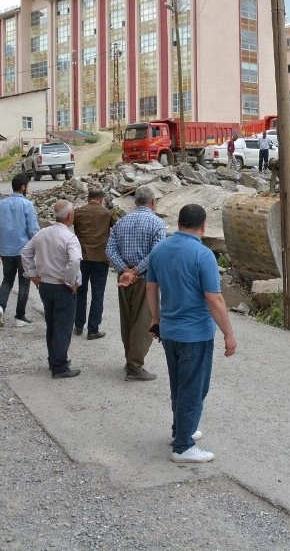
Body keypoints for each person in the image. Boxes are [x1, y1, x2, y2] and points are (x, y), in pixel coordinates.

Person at [146, 204, 237, 463]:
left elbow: (151, 289)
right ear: (203, 225)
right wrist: (228, 334)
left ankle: (181, 430)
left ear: (179, 223)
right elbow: (214, 299)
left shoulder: (159, 250)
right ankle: (183, 447)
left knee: (179, 385)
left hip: (170, 332)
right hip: (195, 333)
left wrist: (156, 319)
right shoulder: (203, 255)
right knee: (194, 389)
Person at [105, 185, 166, 381]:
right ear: (153, 202)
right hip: (145, 279)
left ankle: (130, 359)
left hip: (124, 279)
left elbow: (110, 250)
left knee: (128, 320)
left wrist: (125, 271)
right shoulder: (157, 223)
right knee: (144, 322)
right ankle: (135, 366)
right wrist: (136, 272)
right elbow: (156, 254)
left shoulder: (121, 222)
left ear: (135, 202)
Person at [21, 199, 82, 378]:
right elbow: (75, 261)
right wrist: (71, 282)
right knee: (63, 326)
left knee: (52, 325)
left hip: (45, 284)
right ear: (70, 216)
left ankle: (54, 359)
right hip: (62, 286)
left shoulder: (42, 233)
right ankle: (60, 366)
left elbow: (25, 252)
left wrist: (32, 274)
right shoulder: (70, 237)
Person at [0, 173, 39, 328]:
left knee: (7, 280)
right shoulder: (27, 204)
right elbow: (33, 230)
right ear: (23, 187)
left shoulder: (0, 204)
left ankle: (0, 307)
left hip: (6, 250)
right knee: (24, 283)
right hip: (24, 251)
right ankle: (20, 316)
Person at [73, 187, 117, 340]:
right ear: (101, 199)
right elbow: (117, 229)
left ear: (88, 198)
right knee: (98, 295)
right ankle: (93, 329)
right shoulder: (107, 213)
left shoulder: (77, 212)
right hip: (100, 259)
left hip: (81, 258)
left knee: (80, 292)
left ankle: (78, 325)